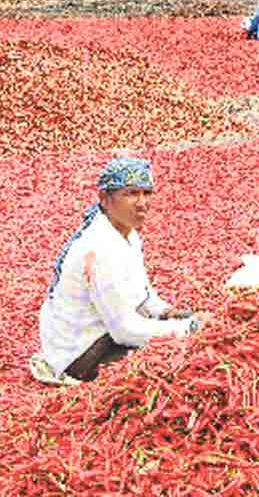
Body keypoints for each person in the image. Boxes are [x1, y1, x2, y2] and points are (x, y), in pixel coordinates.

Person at [34, 157, 205, 384]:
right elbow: (124, 330)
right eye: (131, 194)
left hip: (106, 335)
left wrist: (173, 314)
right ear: (104, 199)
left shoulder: (128, 235)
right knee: (176, 367)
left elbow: (143, 296)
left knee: (195, 349)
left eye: (147, 193)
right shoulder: (98, 250)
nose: (142, 203)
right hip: (82, 354)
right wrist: (189, 327)